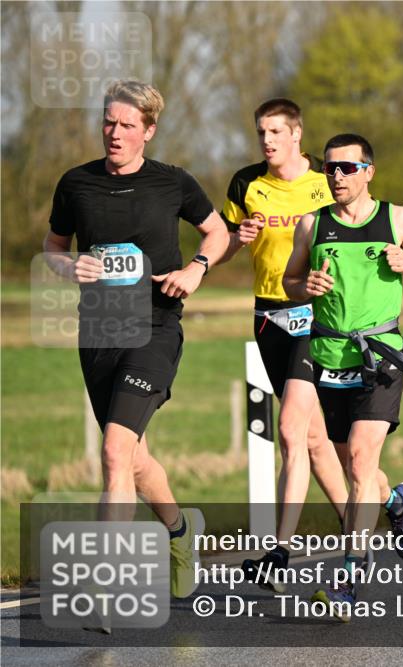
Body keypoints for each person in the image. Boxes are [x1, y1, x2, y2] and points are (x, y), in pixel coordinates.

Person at [43, 80, 229, 613]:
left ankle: (103, 584)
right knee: (135, 458)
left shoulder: (173, 183)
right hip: (99, 332)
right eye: (108, 121)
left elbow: (215, 233)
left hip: (155, 328)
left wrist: (196, 268)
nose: (114, 132)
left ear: (148, 129)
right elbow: (54, 246)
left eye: (127, 124)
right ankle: (179, 527)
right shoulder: (75, 184)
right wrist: (67, 266)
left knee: (113, 452)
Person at [283, 133, 403, 620]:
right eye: (331, 168)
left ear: (368, 171)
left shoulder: (397, 218)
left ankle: (349, 579)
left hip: (381, 354)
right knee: (358, 469)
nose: (337, 176)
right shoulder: (312, 224)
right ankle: (396, 501)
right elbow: (291, 280)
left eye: (347, 168)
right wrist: (304, 285)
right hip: (328, 353)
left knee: (358, 461)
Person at [214, 99, 353, 591]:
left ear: (296, 133)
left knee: (291, 432)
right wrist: (239, 238)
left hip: (315, 318)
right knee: (314, 443)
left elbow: (358, 231)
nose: (267, 140)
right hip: (267, 317)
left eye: (275, 131)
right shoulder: (245, 183)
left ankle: (278, 551)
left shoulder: (326, 181)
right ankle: (362, 527)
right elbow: (223, 243)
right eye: (260, 133)